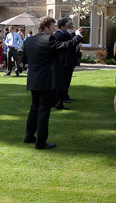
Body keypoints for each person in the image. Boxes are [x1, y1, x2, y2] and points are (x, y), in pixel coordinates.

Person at [22, 17, 82, 150]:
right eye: (53, 27)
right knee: (43, 109)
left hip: (34, 79)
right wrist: (78, 37)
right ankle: (41, 142)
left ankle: (29, 136)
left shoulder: (29, 41)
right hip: (46, 80)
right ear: (46, 28)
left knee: (34, 108)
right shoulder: (49, 39)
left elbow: (25, 59)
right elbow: (65, 46)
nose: (54, 29)